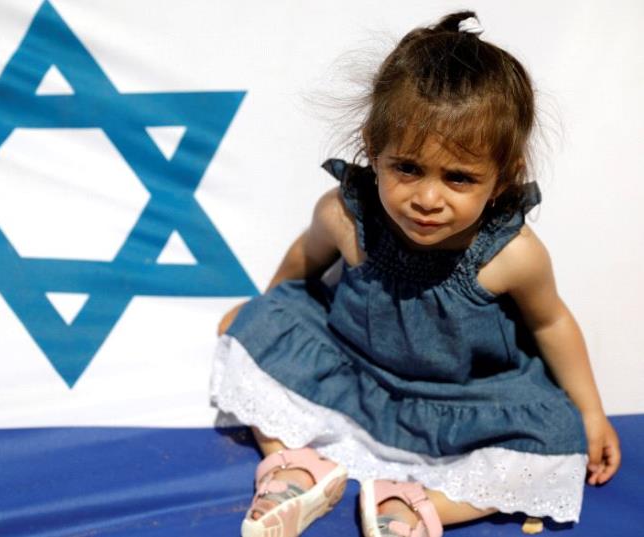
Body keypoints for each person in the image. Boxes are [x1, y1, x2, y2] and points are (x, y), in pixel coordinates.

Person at [209, 10, 621, 537]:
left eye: (459, 178)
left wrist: (590, 413)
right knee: (243, 327)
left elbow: (551, 325)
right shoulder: (345, 216)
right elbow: (299, 266)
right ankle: (297, 467)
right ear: (373, 151)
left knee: (556, 442)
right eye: (407, 168)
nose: (428, 198)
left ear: (503, 179)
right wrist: (267, 326)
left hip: (463, 403)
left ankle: (409, 505)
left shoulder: (512, 255)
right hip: (353, 370)